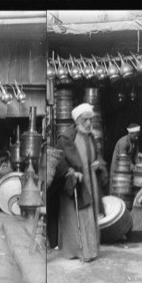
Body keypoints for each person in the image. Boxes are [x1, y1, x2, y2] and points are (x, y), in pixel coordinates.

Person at [47, 103, 108, 262]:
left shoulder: (90, 136)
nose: (89, 123)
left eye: (90, 120)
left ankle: (91, 250)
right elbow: (59, 161)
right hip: (75, 183)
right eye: (85, 120)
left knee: (90, 215)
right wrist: (71, 171)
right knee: (78, 217)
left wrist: (97, 163)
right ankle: (78, 251)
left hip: (91, 181)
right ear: (77, 121)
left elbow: (96, 157)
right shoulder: (66, 137)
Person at [109, 123, 140, 192]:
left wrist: (140, 167)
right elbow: (123, 160)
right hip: (118, 168)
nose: (137, 137)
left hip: (127, 167)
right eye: (135, 136)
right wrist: (134, 168)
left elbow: (136, 157)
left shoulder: (135, 141)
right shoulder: (123, 142)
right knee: (116, 189)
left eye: (138, 135)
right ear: (130, 133)